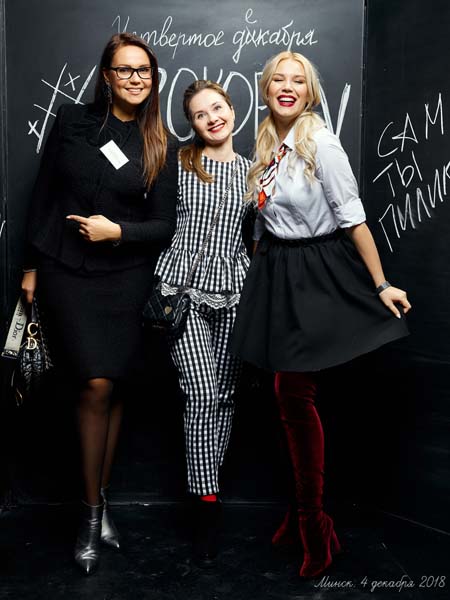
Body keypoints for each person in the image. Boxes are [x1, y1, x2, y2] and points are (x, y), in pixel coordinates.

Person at [230, 51, 411, 578]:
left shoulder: (322, 144)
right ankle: (301, 511)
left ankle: (314, 523)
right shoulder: (267, 144)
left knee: (294, 391)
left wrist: (381, 284)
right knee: (286, 393)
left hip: (317, 270)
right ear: (266, 90)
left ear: (309, 93)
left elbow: (353, 220)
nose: (287, 87)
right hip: (277, 272)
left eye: (298, 81)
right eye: (278, 80)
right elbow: (264, 222)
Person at [20, 33, 178, 575]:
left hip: (125, 276)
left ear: (152, 79)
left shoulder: (159, 142)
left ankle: (98, 506)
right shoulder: (72, 121)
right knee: (93, 384)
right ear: (106, 76)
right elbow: (43, 193)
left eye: (144, 70)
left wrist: (118, 232)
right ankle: (91, 515)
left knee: (111, 386)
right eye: (125, 69)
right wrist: (30, 266)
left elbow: (163, 225)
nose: (136, 78)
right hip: (66, 270)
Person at [154, 80, 251, 567]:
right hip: (183, 291)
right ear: (191, 124)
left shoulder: (254, 171)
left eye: (217, 108)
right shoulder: (179, 163)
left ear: (232, 109)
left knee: (227, 396)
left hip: (235, 290)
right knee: (202, 394)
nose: (212, 118)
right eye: (199, 114)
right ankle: (207, 504)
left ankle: (206, 494)